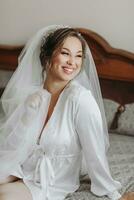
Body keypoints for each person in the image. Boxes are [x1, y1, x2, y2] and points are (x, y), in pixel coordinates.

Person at [0, 25, 130, 200]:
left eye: (78, 56)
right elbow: (14, 145)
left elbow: (95, 153)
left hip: (52, 179)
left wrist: (114, 194)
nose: (72, 62)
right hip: (21, 165)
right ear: (47, 56)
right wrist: (27, 116)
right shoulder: (32, 95)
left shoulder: (81, 100)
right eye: (65, 53)